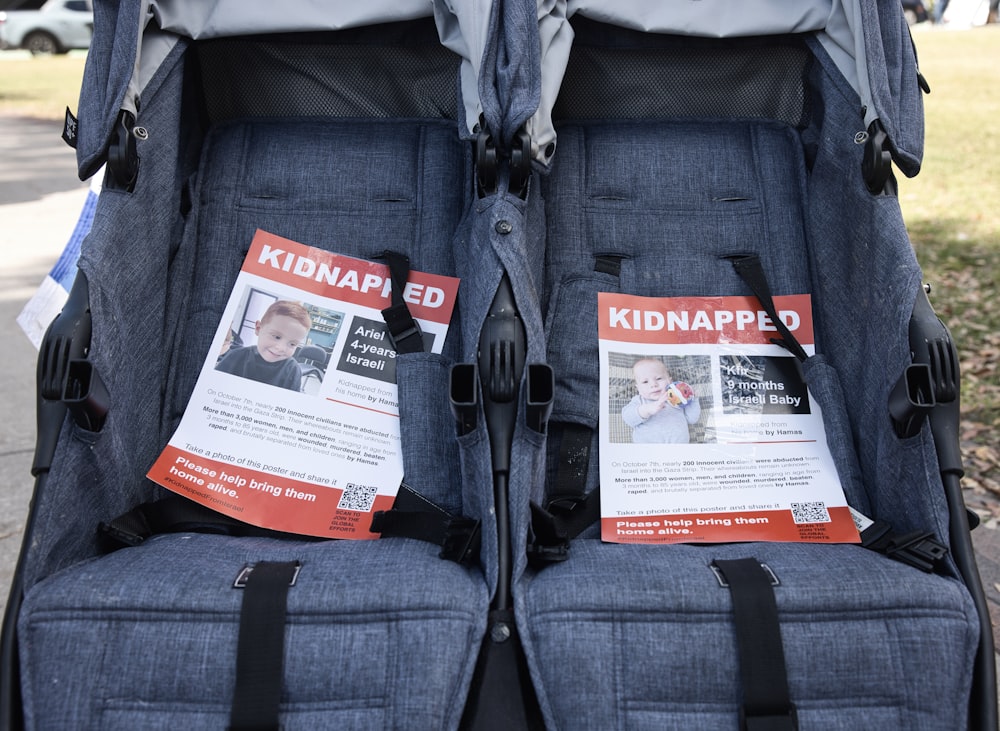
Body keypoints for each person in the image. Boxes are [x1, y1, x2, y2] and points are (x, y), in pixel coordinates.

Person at [216, 300, 311, 392]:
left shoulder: (293, 370)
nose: (281, 348)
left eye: (292, 344)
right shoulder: (236, 356)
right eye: (277, 337)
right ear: (258, 328)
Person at [621, 357, 701, 443]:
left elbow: (692, 419)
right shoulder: (639, 401)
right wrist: (647, 410)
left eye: (659, 378)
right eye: (645, 382)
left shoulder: (678, 398)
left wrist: (693, 400)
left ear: (670, 381)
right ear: (638, 388)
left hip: (677, 450)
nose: (653, 384)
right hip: (648, 451)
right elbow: (628, 418)